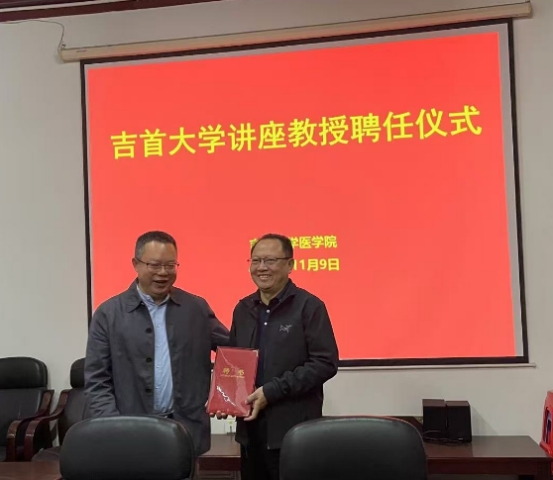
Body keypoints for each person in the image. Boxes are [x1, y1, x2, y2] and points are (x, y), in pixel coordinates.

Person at [84, 230, 229, 457]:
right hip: (129, 433)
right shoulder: (109, 314)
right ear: (136, 264)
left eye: (170, 265)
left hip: (186, 431)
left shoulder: (196, 308)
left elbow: (233, 353)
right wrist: (113, 426)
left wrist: (227, 397)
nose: (163, 273)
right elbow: (97, 380)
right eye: (154, 265)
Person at [223, 233, 339, 480]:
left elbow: (325, 363)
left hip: (294, 432)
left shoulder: (309, 307)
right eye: (256, 261)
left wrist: (272, 391)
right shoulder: (243, 309)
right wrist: (226, 398)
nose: (261, 267)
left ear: (290, 264)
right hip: (250, 432)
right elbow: (234, 362)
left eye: (270, 260)